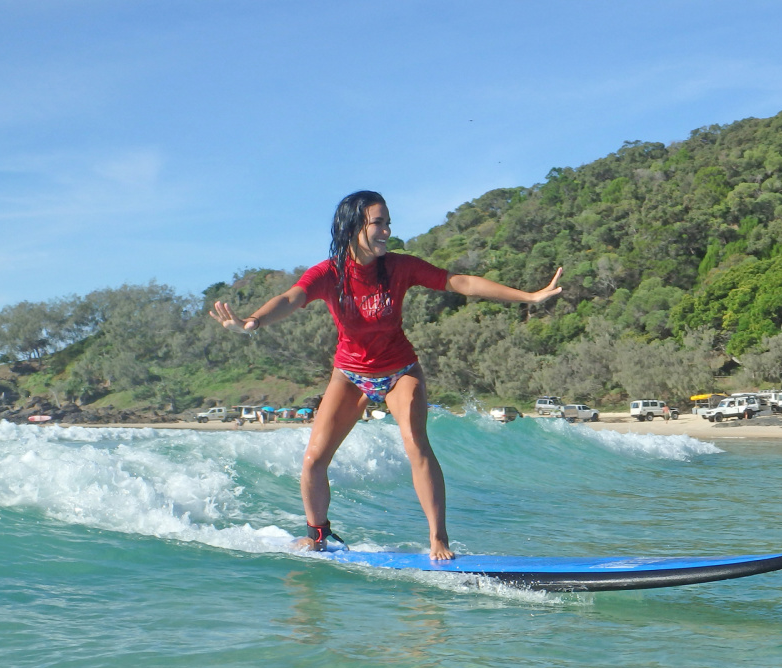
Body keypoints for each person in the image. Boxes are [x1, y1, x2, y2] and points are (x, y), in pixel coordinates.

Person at [211, 190, 563, 560]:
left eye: (388, 222)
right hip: (350, 373)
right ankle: (317, 534)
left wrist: (530, 297)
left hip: (399, 371)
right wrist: (253, 322)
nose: (387, 231)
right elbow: (290, 298)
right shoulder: (330, 274)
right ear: (353, 227)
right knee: (314, 459)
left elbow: (461, 282)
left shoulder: (398, 267)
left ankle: (438, 539)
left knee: (415, 443)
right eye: (378, 223)